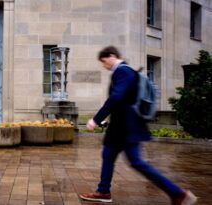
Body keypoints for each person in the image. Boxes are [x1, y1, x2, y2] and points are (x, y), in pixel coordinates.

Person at [79, 46, 197, 205]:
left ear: (112, 56)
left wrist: (96, 119)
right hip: (122, 126)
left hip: (126, 127)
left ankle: (178, 193)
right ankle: (103, 191)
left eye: (104, 61)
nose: (104, 65)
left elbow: (116, 97)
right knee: (108, 155)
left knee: (136, 162)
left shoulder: (123, 71)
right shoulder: (126, 72)